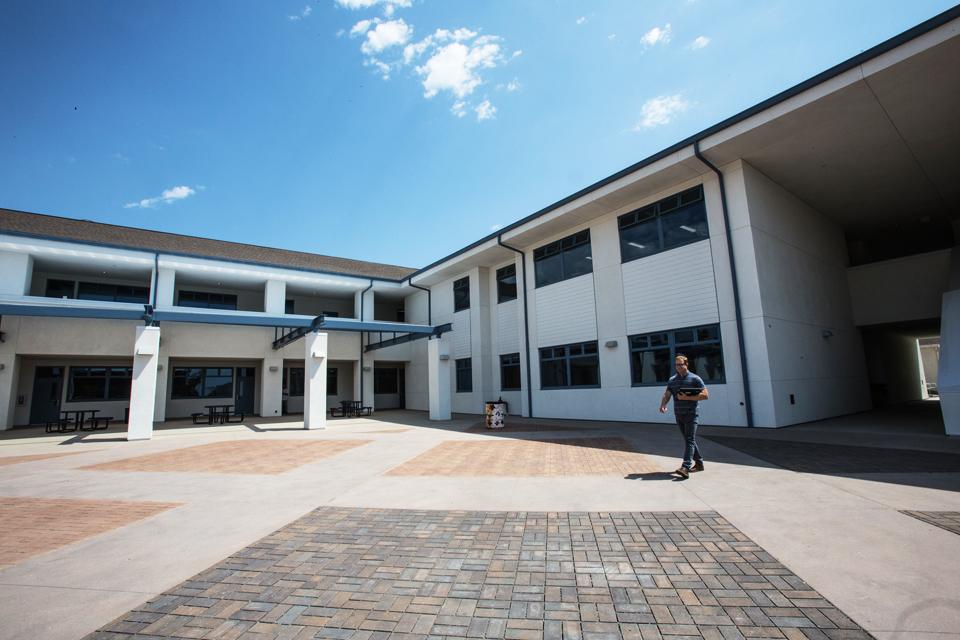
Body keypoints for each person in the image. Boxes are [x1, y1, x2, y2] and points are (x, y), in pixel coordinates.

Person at [659, 354, 709, 479]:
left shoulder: (695, 378)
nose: (678, 367)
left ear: (686, 364)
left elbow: (705, 395)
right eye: (676, 365)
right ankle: (699, 463)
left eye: (681, 364)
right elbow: (667, 393)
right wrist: (663, 405)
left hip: (691, 413)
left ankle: (685, 467)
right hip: (679, 414)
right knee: (688, 439)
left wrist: (688, 397)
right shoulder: (672, 380)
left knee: (689, 439)